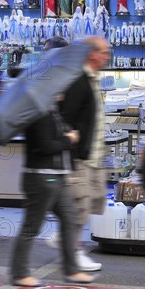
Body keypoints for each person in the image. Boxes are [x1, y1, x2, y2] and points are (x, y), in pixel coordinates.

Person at [10, 38, 95, 287]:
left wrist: (66, 134)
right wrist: (69, 139)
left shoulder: (51, 109)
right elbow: (44, 145)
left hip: (56, 175)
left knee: (69, 219)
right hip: (41, 177)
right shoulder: (38, 111)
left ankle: (71, 269)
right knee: (32, 226)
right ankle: (19, 272)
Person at [58, 36, 110, 271]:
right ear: (92, 54)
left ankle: (65, 241)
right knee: (79, 206)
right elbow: (67, 118)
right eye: (103, 52)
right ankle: (73, 252)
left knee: (90, 203)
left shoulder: (92, 79)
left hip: (93, 155)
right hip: (81, 157)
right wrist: (74, 144)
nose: (107, 57)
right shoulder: (80, 81)